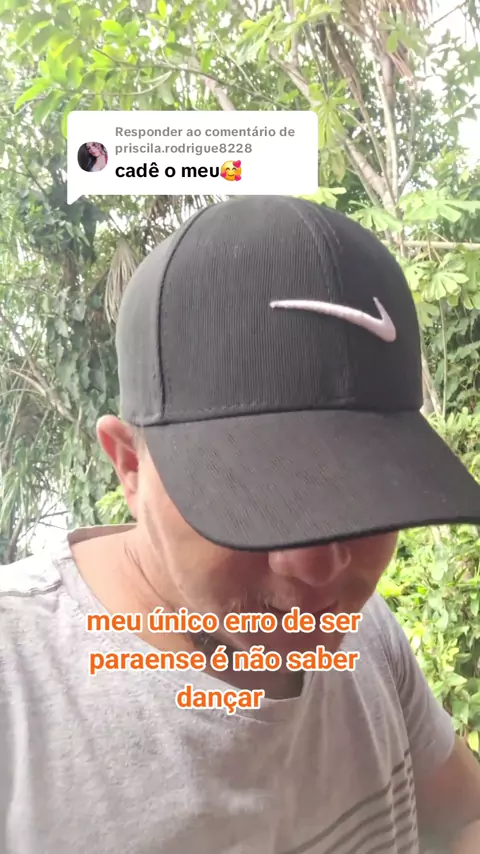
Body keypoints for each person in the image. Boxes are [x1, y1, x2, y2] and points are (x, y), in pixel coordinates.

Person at [1, 196, 480, 854]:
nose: (319, 568)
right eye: (252, 497)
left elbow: (463, 816)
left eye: (363, 495)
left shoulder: (364, 631)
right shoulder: (18, 682)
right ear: (130, 466)